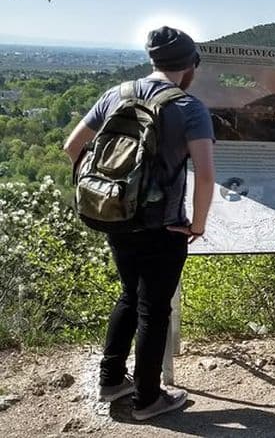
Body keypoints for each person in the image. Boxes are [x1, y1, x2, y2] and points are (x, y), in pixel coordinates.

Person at [63, 26, 215, 420]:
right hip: (163, 225)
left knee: (129, 296)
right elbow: (206, 173)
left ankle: (111, 378)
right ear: (190, 65)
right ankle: (148, 398)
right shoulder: (188, 107)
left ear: (153, 61)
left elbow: (71, 147)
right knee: (154, 309)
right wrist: (197, 225)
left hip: (116, 216)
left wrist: (103, 192)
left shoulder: (117, 94)